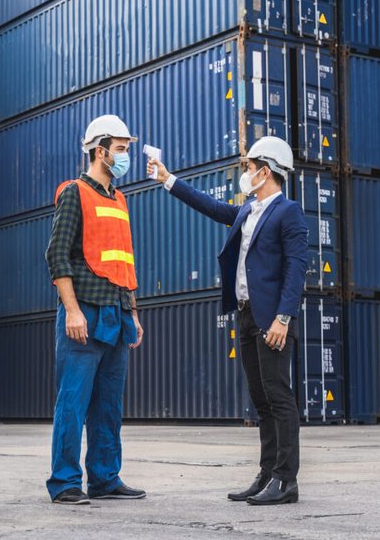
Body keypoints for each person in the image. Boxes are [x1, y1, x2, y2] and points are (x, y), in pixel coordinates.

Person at [147, 136, 308, 505]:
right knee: (261, 398)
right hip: (246, 314)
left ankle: (287, 481)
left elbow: (296, 270)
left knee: (279, 396)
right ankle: (268, 474)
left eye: (249, 167)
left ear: (265, 171)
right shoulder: (249, 209)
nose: (245, 172)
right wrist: (168, 179)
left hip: (272, 319)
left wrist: (283, 318)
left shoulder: (288, 212)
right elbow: (213, 207)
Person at [45, 115, 145, 505]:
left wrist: (132, 312)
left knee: (108, 403)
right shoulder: (74, 193)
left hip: (117, 312)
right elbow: (57, 254)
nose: (125, 156)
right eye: (120, 149)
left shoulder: (119, 199)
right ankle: (65, 482)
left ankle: (105, 478)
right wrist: (71, 310)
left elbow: (124, 263)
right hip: (83, 311)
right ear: (100, 151)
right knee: (73, 400)